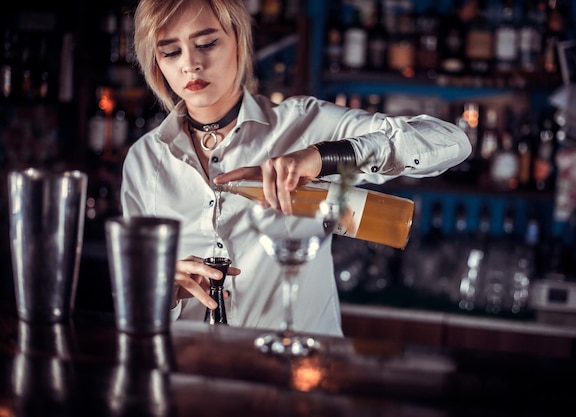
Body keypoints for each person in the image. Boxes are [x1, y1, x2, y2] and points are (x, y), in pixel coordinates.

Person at [122, 0, 472, 336]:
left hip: (298, 374)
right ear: (156, 62)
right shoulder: (144, 161)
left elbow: (450, 142)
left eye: (207, 43)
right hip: (192, 375)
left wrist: (324, 157)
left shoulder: (304, 123)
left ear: (238, 41)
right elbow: (134, 300)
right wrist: (162, 291)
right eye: (170, 51)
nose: (190, 64)